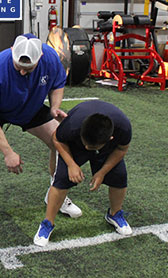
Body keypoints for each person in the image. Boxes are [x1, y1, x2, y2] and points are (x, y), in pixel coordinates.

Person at [0, 34, 82, 234]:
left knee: (61, 141)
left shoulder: (51, 58)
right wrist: (8, 152)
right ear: (12, 51)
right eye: (18, 66)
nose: (21, 71)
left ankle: (56, 194)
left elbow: (57, 84)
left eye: (28, 69)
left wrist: (54, 108)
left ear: (40, 58)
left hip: (30, 107)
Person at [34, 100, 132, 246]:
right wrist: (71, 164)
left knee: (119, 176)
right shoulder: (73, 125)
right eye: (86, 143)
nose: (87, 147)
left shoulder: (123, 128)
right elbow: (57, 139)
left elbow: (122, 149)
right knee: (61, 179)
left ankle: (114, 214)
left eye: (91, 146)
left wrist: (102, 172)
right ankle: (47, 223)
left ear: (111, 138)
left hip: (107, 149)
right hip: (74, 145)